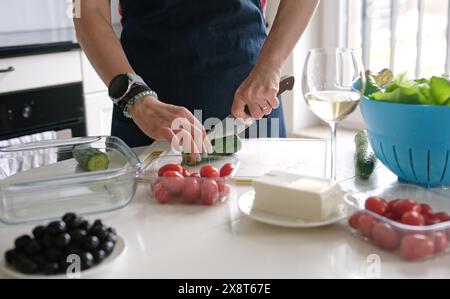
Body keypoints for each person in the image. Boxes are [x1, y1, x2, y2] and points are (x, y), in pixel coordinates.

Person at [74, 0, 320, 151]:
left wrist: (270, 66)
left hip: (249, 101)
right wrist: (136, 100)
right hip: (144, 108)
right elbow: (85, 11)